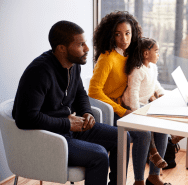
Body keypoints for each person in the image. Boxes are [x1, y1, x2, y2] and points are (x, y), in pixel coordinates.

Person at [12, 20, 131, 185]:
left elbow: (80, 94)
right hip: (49, 138)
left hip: (68, 129)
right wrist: (66, 124)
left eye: (85, 43)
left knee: (122, 137)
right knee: (99, 155)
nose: (87, 49)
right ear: (61, 48)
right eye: (81, 44)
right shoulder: (39, 72)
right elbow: (25, 118)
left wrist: (87, 112)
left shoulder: (74, 64)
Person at [88, 11, 170, 185]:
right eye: (118, 34)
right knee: (143, 134)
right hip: (109, 110)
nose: (124, 39)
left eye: (127, 34)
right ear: (110, 35)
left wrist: (154, 94)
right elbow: (94, 91)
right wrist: (121, 110)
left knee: (163, 126)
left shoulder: (130, 54)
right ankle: (135, 181)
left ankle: (154, 176)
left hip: (126, 105)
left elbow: (142, 78)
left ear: (133, 34)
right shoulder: (107, 58)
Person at [122, 37, 167, 169]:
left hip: (145, 104)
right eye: (156, 51)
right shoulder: (137, 71)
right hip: (133, 105)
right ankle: (153, 152)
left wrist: (161, 93)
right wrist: (137, 112)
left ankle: (171, 137)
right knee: (148, 125)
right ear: (146, 54)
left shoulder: (152, 67)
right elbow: (133, 93)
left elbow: (155, 84)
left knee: (161, 120)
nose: (159, 54)